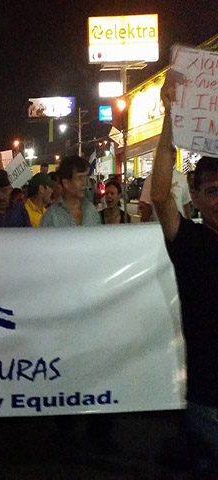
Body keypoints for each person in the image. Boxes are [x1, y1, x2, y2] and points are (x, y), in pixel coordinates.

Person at [153, 70, 218, 475]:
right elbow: (160, 195)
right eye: (213, 192)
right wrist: (170, 116)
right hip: (208, 407)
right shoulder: (190, 242)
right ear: (194, 196)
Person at [40, 156, 100, 227]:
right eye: (80, 178)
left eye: (85, 177)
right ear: (66, 183)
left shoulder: (91, 210)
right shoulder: (51, 216)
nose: (84, 182)